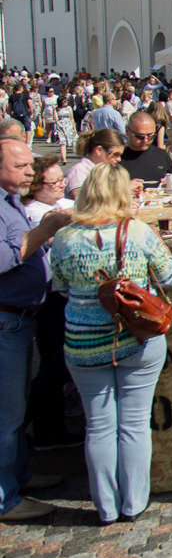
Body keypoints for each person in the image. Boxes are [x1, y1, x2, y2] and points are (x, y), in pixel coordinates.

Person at [51, 163, 172, 524]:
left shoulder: (65, 237)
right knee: (135, 422)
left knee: (99, 424)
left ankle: (106, 505)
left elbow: (60, 285)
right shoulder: (137, 231)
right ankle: (134, 502)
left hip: (83, 340)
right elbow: (169, 273)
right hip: (135, 337)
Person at [0, 140, 72, 522]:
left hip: (21, 315)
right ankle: (5, 498)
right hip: (6, 316)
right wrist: (45, 230)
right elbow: (4, 257)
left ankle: (19, 476)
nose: (31, 172)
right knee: (7, 414)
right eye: (22, 165)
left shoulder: (10, 200)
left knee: (14, 405)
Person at [65, 129, 125, 198]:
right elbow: (82, 200)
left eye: (120, 155)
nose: (119, 159)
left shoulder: (108, 171)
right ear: (99, 150)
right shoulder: (79, 172)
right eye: (115, 154)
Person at [120, 112, 172, 185]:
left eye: (150, 136)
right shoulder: (118, 157)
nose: (145, 140)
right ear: (127, 131)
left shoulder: (161, 155)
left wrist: (169, 182)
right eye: (140, 136)